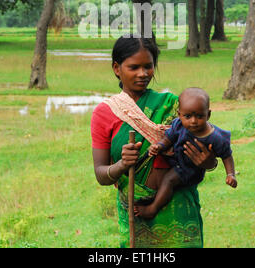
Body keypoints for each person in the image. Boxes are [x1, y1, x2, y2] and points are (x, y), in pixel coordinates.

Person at [91, 35, 218, 248]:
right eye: (133, 67)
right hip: (135, 210)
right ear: (116, 68)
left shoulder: (174, 105)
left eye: (148, 67)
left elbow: (210, 156)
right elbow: (100, 174)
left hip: (179, 208)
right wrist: (122, 164)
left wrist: (207, 161)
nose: (143, 74)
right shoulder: (104, 114)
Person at [134, 87, 237, 220]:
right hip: (177, 160)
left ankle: (152, 209)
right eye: (187, 116)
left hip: (190, 170)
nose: (193, 121)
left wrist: (231, 174)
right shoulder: (179, 125)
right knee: (163, 177)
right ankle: (157, 196)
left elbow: (227, 155)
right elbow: (168, 138)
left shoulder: (215, 137)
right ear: (179, 114)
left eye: (199, 116)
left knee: (168, 180)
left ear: (208, 114)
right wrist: (160, 146)